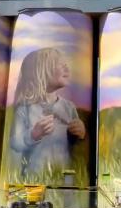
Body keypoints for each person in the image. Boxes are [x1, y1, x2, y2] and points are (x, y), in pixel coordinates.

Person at [10, 48, 86, 176]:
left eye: (66, 64)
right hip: (33, 179)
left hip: (63, 178)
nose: (66, 67)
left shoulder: (69, 107)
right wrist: (33, 134)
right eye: (60, 64)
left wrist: (81, 133)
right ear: (40, 72)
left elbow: (74, 144)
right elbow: (15, 143)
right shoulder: (25, 108)